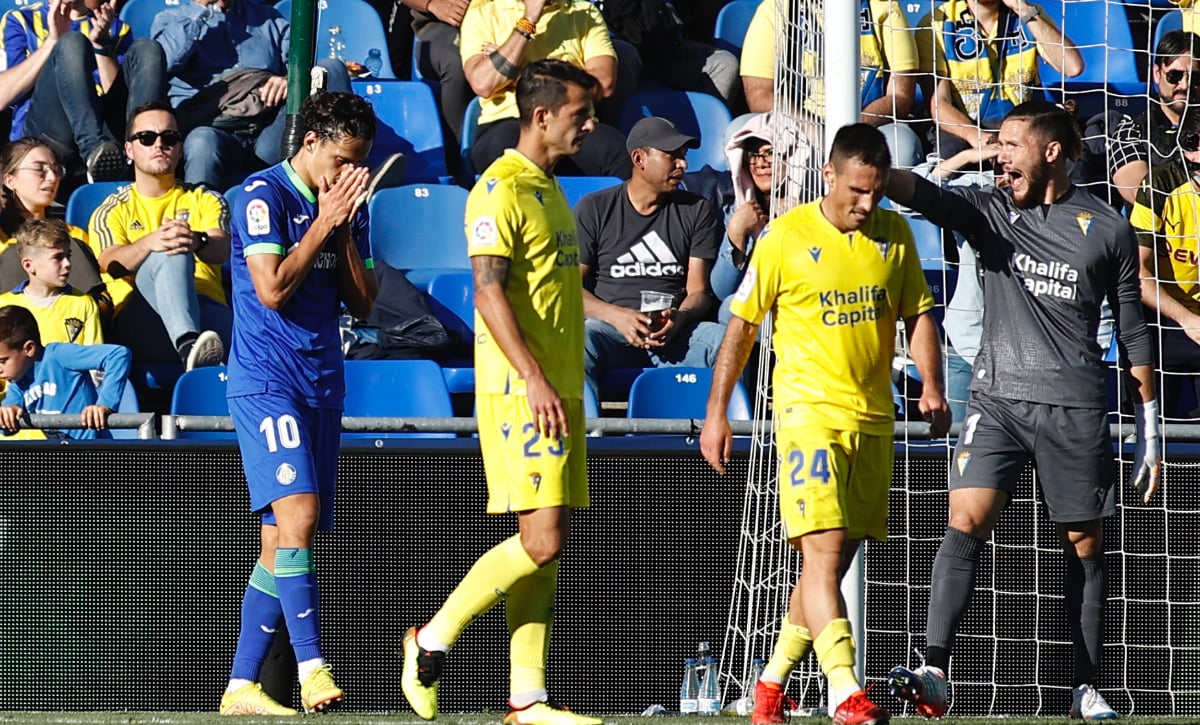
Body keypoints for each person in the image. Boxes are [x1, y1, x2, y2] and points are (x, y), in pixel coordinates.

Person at [882, 101, 1160, 721]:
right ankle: (934, 669)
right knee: (965, 518)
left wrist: (1150, 431)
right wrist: (880, 167)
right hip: (997, 399)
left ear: (1051, 152)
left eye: (1010, 144)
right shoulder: (990, 211)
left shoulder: (1107, 229)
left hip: (1075, 407)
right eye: (997, 144)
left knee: (1083, 544)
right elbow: (928, 196)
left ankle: (1085, 686)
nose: (998, 156)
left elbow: (1134, 332)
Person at [701, 122, 950, 725]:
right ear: (829, 175)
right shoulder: (785, 238)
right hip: (807, 414)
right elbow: (741, 327)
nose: (867, 203)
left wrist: (933, 385)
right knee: (824, 550)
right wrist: (716, 413)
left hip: (874, 418)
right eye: (857, 190)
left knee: (829, 565)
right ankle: (844, 690)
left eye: (876, 191)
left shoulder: (894, 235)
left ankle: (770, 685)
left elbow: (918, 314)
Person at [400, 59, 602, 725]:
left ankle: (527, 696)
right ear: (541, 115)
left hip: (558, 387)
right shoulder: (498, 190)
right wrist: (534, 377)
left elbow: (551, 291)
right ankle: (431, 639)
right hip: (523, 391)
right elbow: (487, 293)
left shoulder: (550, 187)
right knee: (541, 541)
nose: (590, 126)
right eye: (580, 114)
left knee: (547, 540)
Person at [217, 91, 377, 717]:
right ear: (310, 142)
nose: (349, 173)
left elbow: (363, 302)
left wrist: (344, 229)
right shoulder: (262, 195)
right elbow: (273, 288)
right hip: (267, 380)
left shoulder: (348, 202)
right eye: (341, 159)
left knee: (279, 540)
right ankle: (312, 668)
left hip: (322, 381)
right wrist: (322, 222)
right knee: (301, 516)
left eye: (359, 161)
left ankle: (240, 685)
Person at [576, 116, 725, 400]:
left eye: (684, 156)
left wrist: (679, 318)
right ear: (639, 159)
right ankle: (587, 428)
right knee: (581, 339)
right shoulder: (595, 208)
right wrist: (616, 316)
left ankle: (722, 423)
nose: (683, 164)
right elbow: (569, 289)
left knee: (724, 341)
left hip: (674, 333)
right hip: (611, 330)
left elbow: (698, 291)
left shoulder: (696, 209)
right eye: (672, 156)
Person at [89, 101, 230, 371]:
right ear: (129, 149)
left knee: (262, 345)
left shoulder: (206, 198)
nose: (159, 145)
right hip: (143, 319)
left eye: (169, 138)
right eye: (146, 138)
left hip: (208, 314)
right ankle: (188, 345)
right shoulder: (112, 209)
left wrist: (196, 240)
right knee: (170, 247)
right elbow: (110, 263)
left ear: (180, 148)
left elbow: (223, 248)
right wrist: (151, 243)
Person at [151, 0, 352, 191]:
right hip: (213, 128)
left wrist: (288, 80)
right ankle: (200, 214)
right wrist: (200, 9)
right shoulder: (170, 19)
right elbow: (163, 63)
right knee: (201, 143)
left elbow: (302, 68)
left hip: (269, 128)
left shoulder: (268, 18)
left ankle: (345, 178)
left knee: (331, 69)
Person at [0, 0, 166, 189]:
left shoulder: (112, 26)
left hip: (104, 135)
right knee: (72, 42)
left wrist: (101, 47)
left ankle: (140, 155)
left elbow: (116, 96)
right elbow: (2, 97)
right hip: (47, 134)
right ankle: (92, 150)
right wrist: (52, 43)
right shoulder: (21, 20)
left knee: (148, 48)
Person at [739, 0, 924, 168]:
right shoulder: (776, 8)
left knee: (902, 146)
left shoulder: (884, 6)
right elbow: (759, 95)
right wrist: (812, 129)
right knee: (738, 131)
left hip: (868, 124)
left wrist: (853, 127)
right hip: (795, 123)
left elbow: (901, 96)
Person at [460, 0, 632, 179]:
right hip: (509, 120)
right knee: (506, 151)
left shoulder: (584, 11)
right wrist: (528, 21)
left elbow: (603, 83)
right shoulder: (483, 13)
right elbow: (483, 83)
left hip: (574, 121)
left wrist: (519, 74)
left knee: (619, 153)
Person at [922, 0, 1083, 159]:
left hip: (1025, 122)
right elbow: (939, 104)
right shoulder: (937, 22)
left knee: (1072, 158)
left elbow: (1073, 67)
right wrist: (977, 136)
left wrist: (1023, 10)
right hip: (967, 125)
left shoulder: (1029, 14)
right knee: (950, 150)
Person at [1130, 103, 1200, 419]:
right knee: (1148, 426)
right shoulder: (1161, 184)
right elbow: (1138, 272)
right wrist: (1187, 319)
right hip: (1165, 317)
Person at [0, 138, 108, 306]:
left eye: (56, 170)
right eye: (39, 169)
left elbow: (104, 283)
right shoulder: (3, 237)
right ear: (10, 180)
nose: (52, 177)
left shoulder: (74, 236)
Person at [0, 304, 129, 440]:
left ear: (29, 348)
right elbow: (6, 429)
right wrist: (7, 415)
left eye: (3, 361)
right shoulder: (18, 383)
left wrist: (104, 404)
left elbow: (118, 355)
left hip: (94, 449)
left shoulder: (59, 355)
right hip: (61, 450)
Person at [1108, 31, 1200, 209]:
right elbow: (1142, 196)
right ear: (1157, 73)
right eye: (1175, 75)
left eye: (1195, 77)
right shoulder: (1130, 132)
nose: (1185, 85)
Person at [0, 218, 102, 345]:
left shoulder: (84, 304)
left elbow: (93, 354)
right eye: (58, 258)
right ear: (28, 265)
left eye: (68, 256)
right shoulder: (4, 304)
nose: (67, 263)